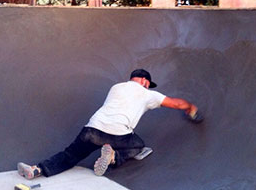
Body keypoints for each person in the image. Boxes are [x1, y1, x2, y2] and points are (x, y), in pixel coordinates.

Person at [17, 69, 203, 180]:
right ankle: (114, 157)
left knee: (69, 155)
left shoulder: (116, 87)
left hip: (91, 130)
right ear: (145, 82)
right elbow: (177, 103)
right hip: (117, 135)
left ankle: (36, 170)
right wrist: (191, 108)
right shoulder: (148, 94)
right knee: (139, 146)